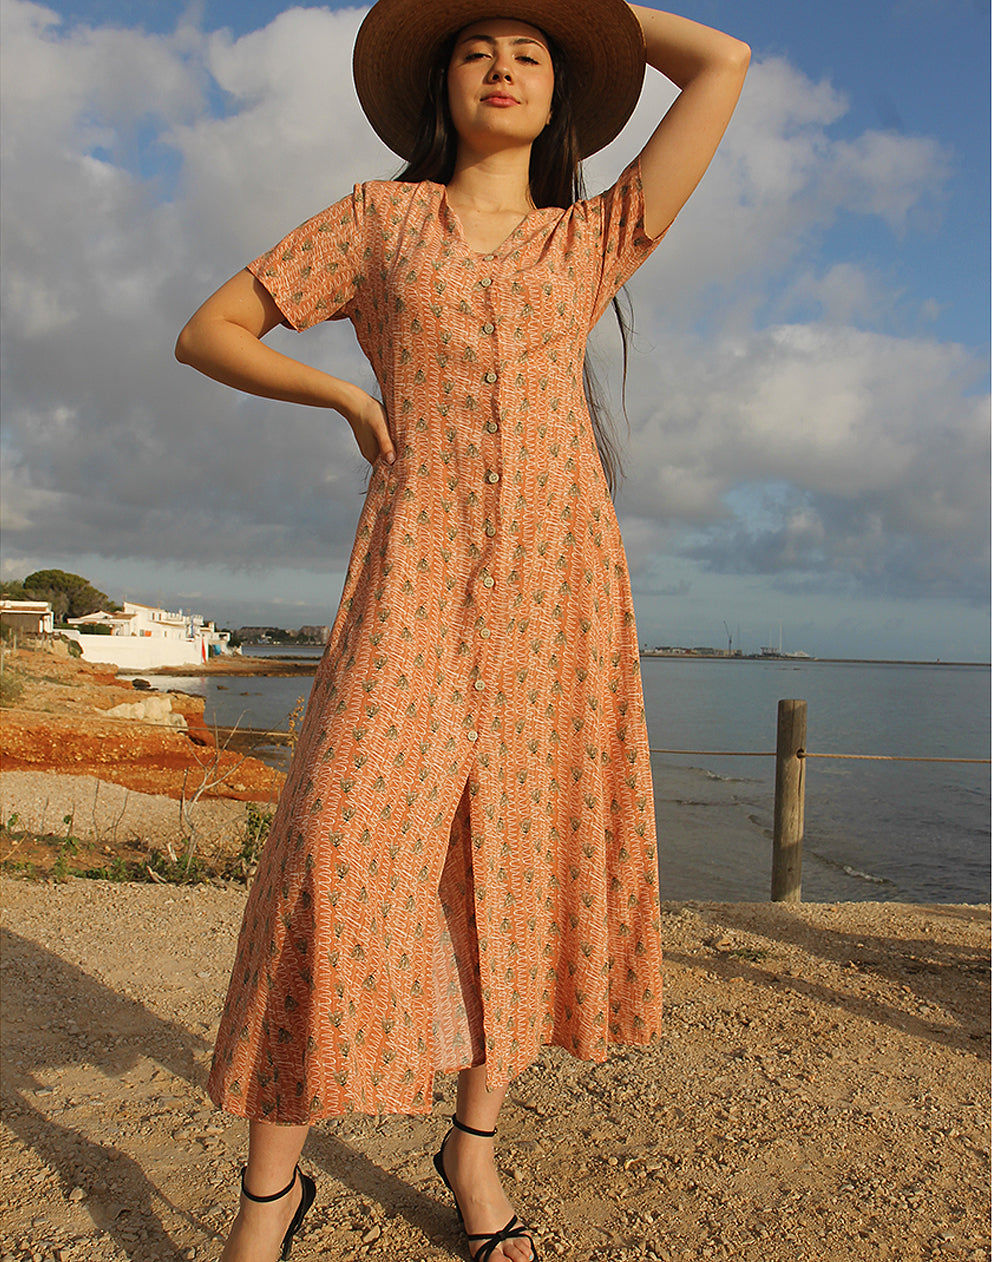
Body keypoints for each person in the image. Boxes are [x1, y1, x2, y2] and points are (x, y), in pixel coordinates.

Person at [175, 2, 749, 1258]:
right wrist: (334, 389)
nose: (503, 67)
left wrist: (592, 12)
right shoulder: (377, 225)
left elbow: (721, 62)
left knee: (522, 870)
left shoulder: (593, 237)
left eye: (532, 52)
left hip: (561, 598)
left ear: (561, 97)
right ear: (442, 86)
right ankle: (268, 1191)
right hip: (413, 587)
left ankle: (471, 1148)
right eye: (478, 47)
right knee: (332, 852)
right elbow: (208, 328)